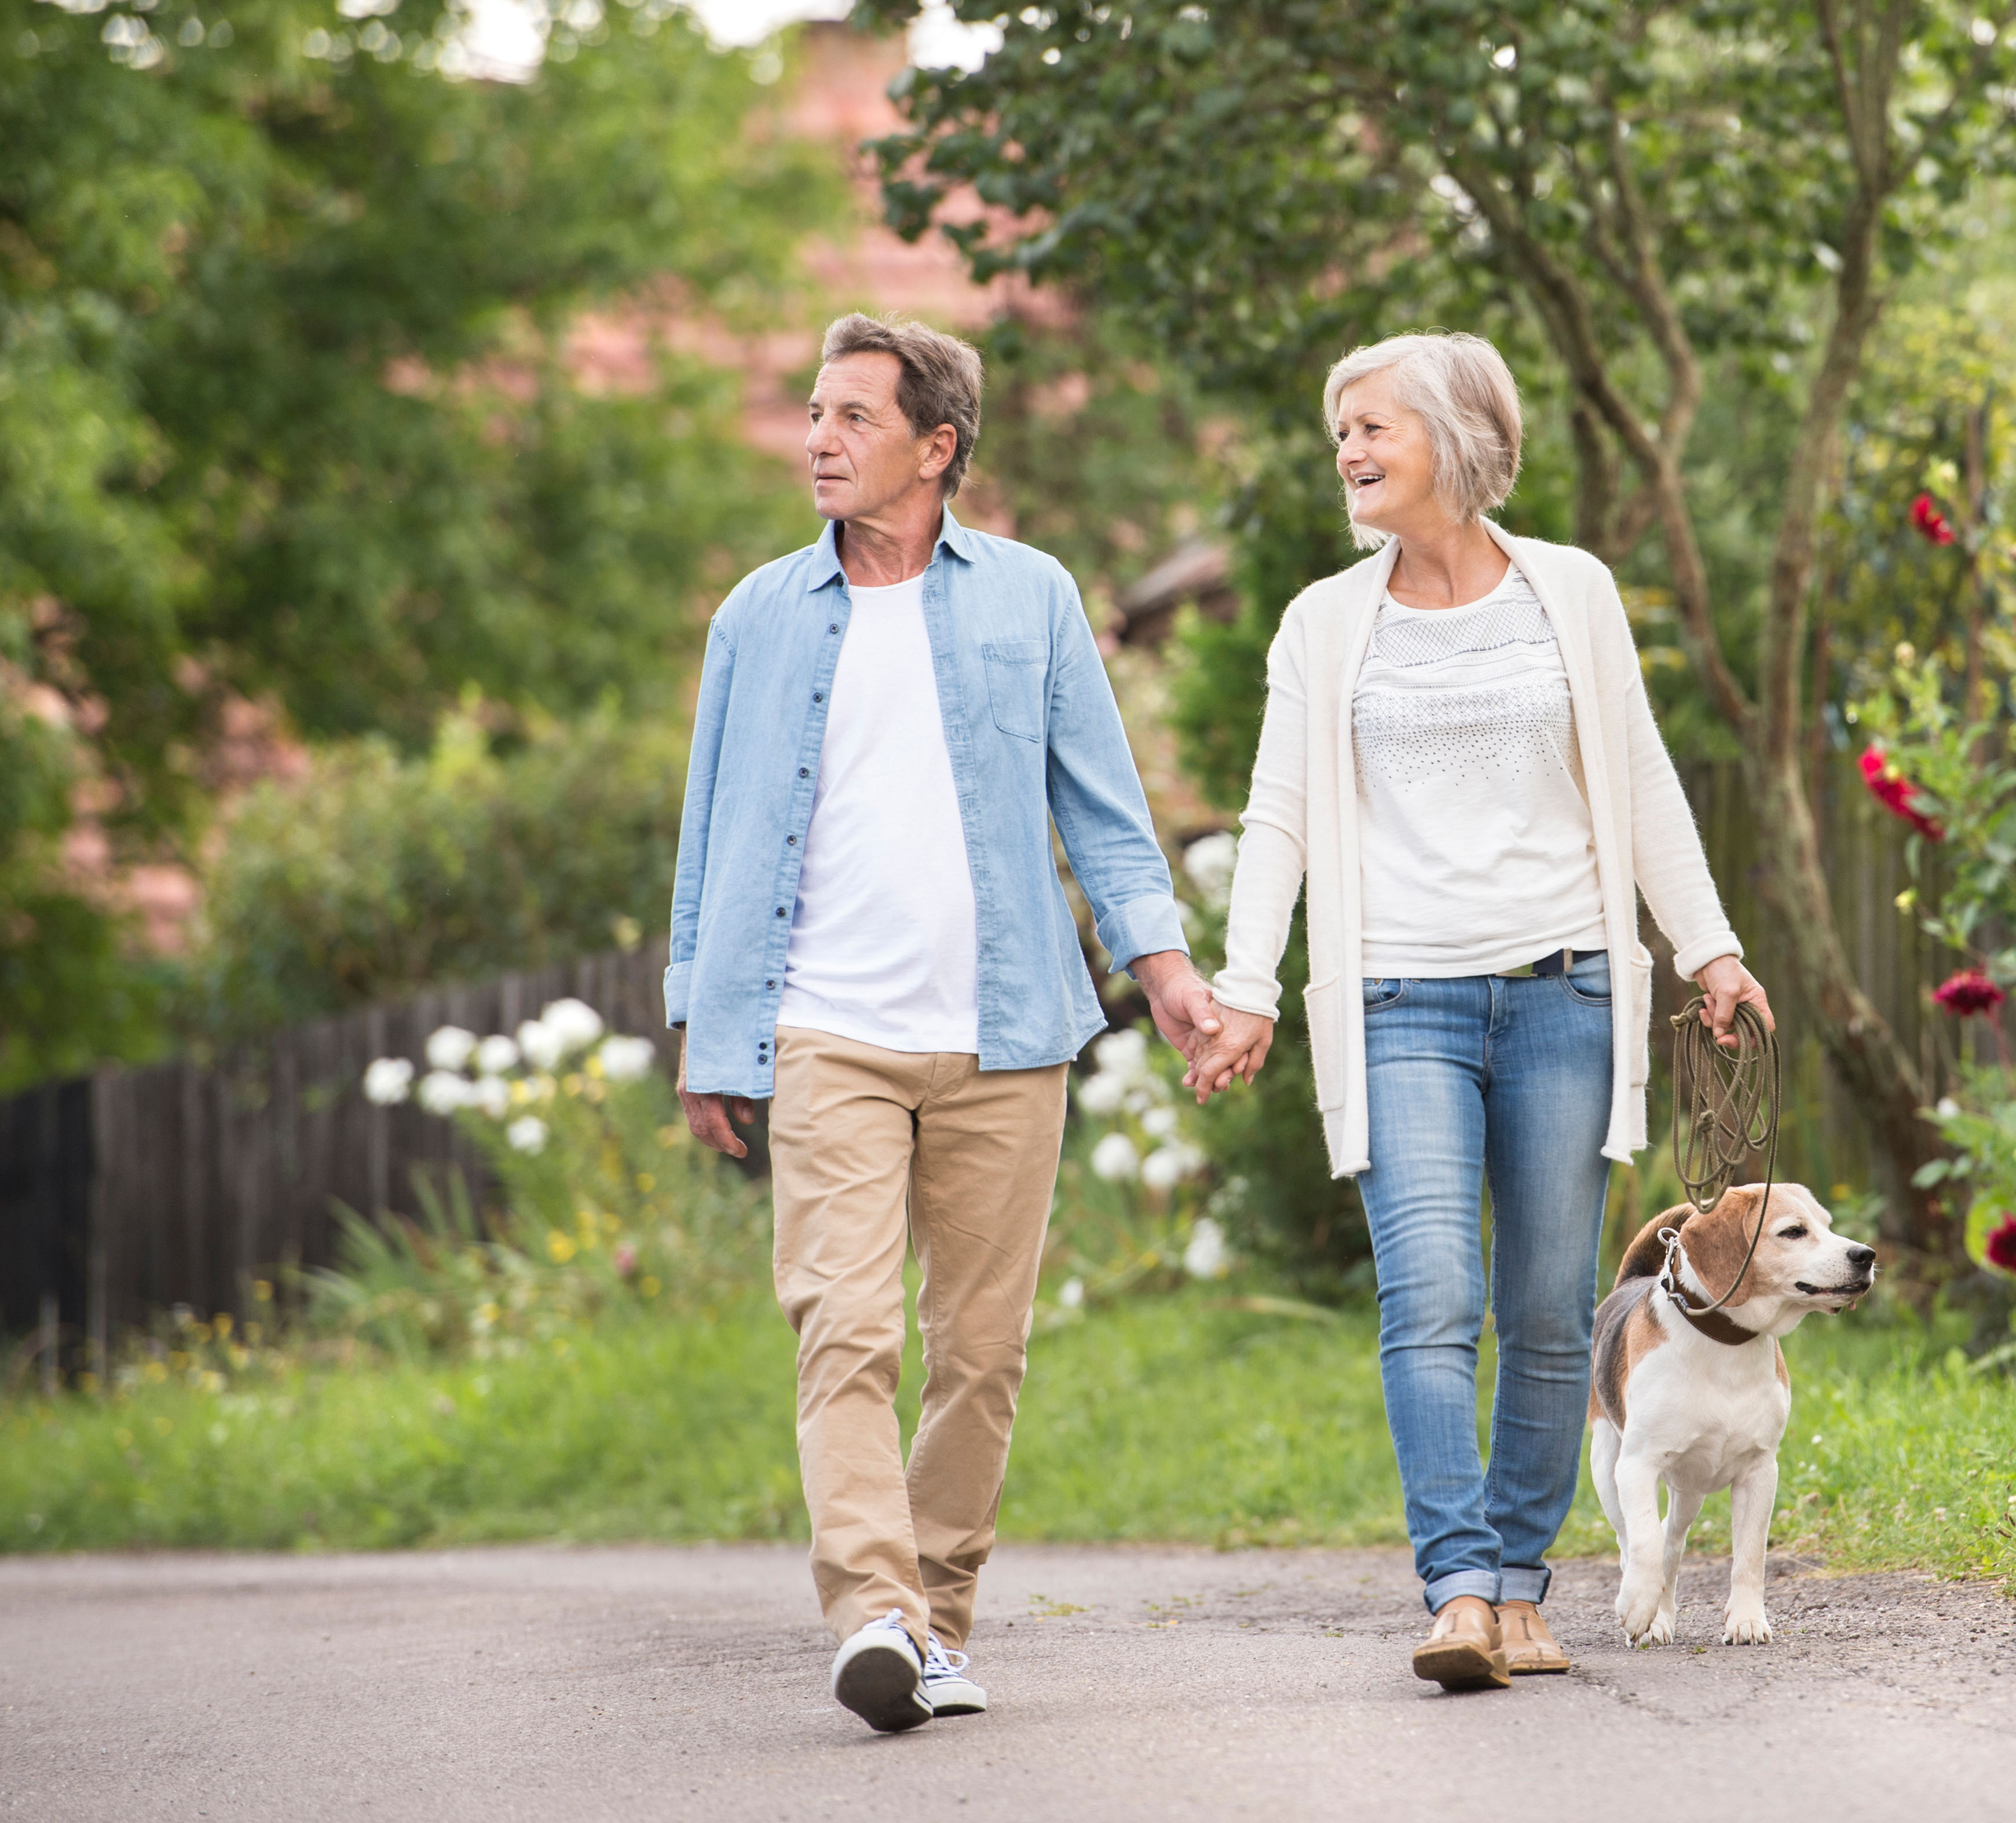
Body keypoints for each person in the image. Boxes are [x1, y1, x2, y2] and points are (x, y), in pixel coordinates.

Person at [1187, 331, 1770, 1690]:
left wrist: (1709, 946)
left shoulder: (1569, 591)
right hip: (1399, 999)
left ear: (1454, 439)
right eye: (1341, 428)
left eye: (1373, 428)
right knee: (1431, 1295)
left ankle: (1519, 1584)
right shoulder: (1325, 622)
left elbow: (1638, 776)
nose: (1348, 451)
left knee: (1553, 1307)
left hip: (1564, 985)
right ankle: (1454, 1587)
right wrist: (1245, 988)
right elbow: (1274, 816)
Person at [665, 312, 1223, 1733]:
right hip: (825, 1027)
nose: (818, 441)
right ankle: (872, 1610)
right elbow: (711, 838)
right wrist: (705, 1028)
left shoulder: (1029, 598)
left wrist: (1165, 974)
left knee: (980, 1349)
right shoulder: (757, 614)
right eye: (812, 414)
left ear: (937, 445)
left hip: (1005, 1031)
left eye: (852, 417)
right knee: (841, 1325)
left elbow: (1101, 807)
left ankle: (936, 1621)